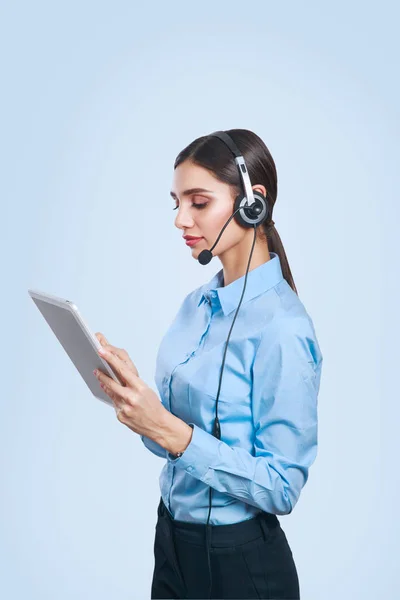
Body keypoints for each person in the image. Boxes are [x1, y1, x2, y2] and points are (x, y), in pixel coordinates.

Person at [141, 128, 323, 599]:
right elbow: (170, 435)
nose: (181, 219)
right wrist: (136, 402)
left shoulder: (283, 328)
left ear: (252, 202)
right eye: (176, 202)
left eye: (198, 202)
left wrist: (172, 434)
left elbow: (282, 488)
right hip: (172, 544)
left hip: (240, 564)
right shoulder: (195, 305)